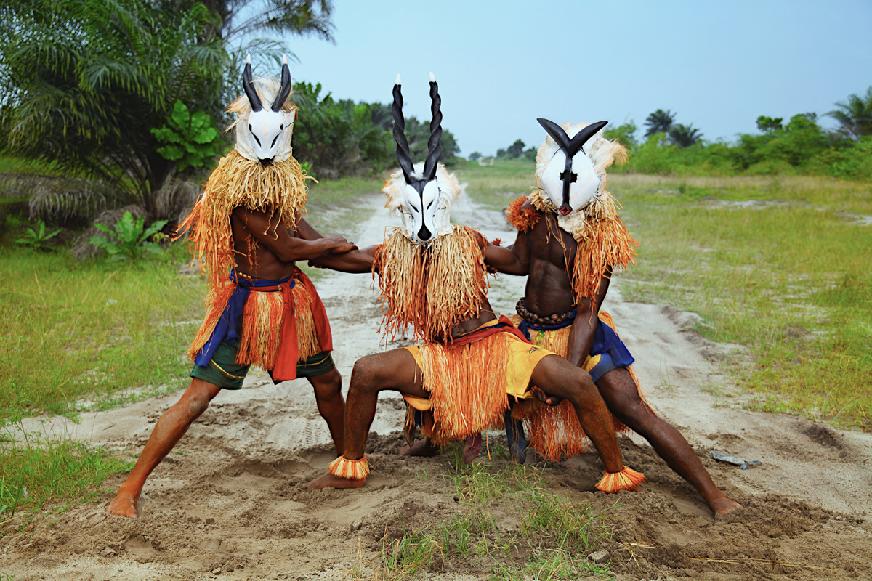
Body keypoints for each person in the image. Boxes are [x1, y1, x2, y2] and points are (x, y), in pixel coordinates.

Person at [308, 76, 644, 493]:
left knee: (576, 382)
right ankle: (350, 466)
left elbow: (518, 259)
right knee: (366, 371)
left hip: (496, 349)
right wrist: (303, 238)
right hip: (439, 356)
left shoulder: (468, 241)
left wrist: (545, 223)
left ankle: (616, 472)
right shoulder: (395, 251)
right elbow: (336, 259)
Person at [108, 56, 356, 518]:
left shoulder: (281, 194)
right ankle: (129, 489)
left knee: (328, 381)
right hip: (246, 309)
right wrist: (330, 242)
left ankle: (348, 461)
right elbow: (289, 247)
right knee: (197, 398)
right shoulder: (241, 197)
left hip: (290, 304)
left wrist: (379, 258)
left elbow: (311, 244)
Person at [490, 118, 741, 517]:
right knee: (478, 373)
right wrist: (471, 248)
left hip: (579, 333)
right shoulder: (534, 214)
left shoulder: (601, 233)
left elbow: (587, 311)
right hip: (530, 331)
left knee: (633, 409)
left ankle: (714, 495)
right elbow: (520, 262)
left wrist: (571, 373)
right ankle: (443, 442)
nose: (565, 205)